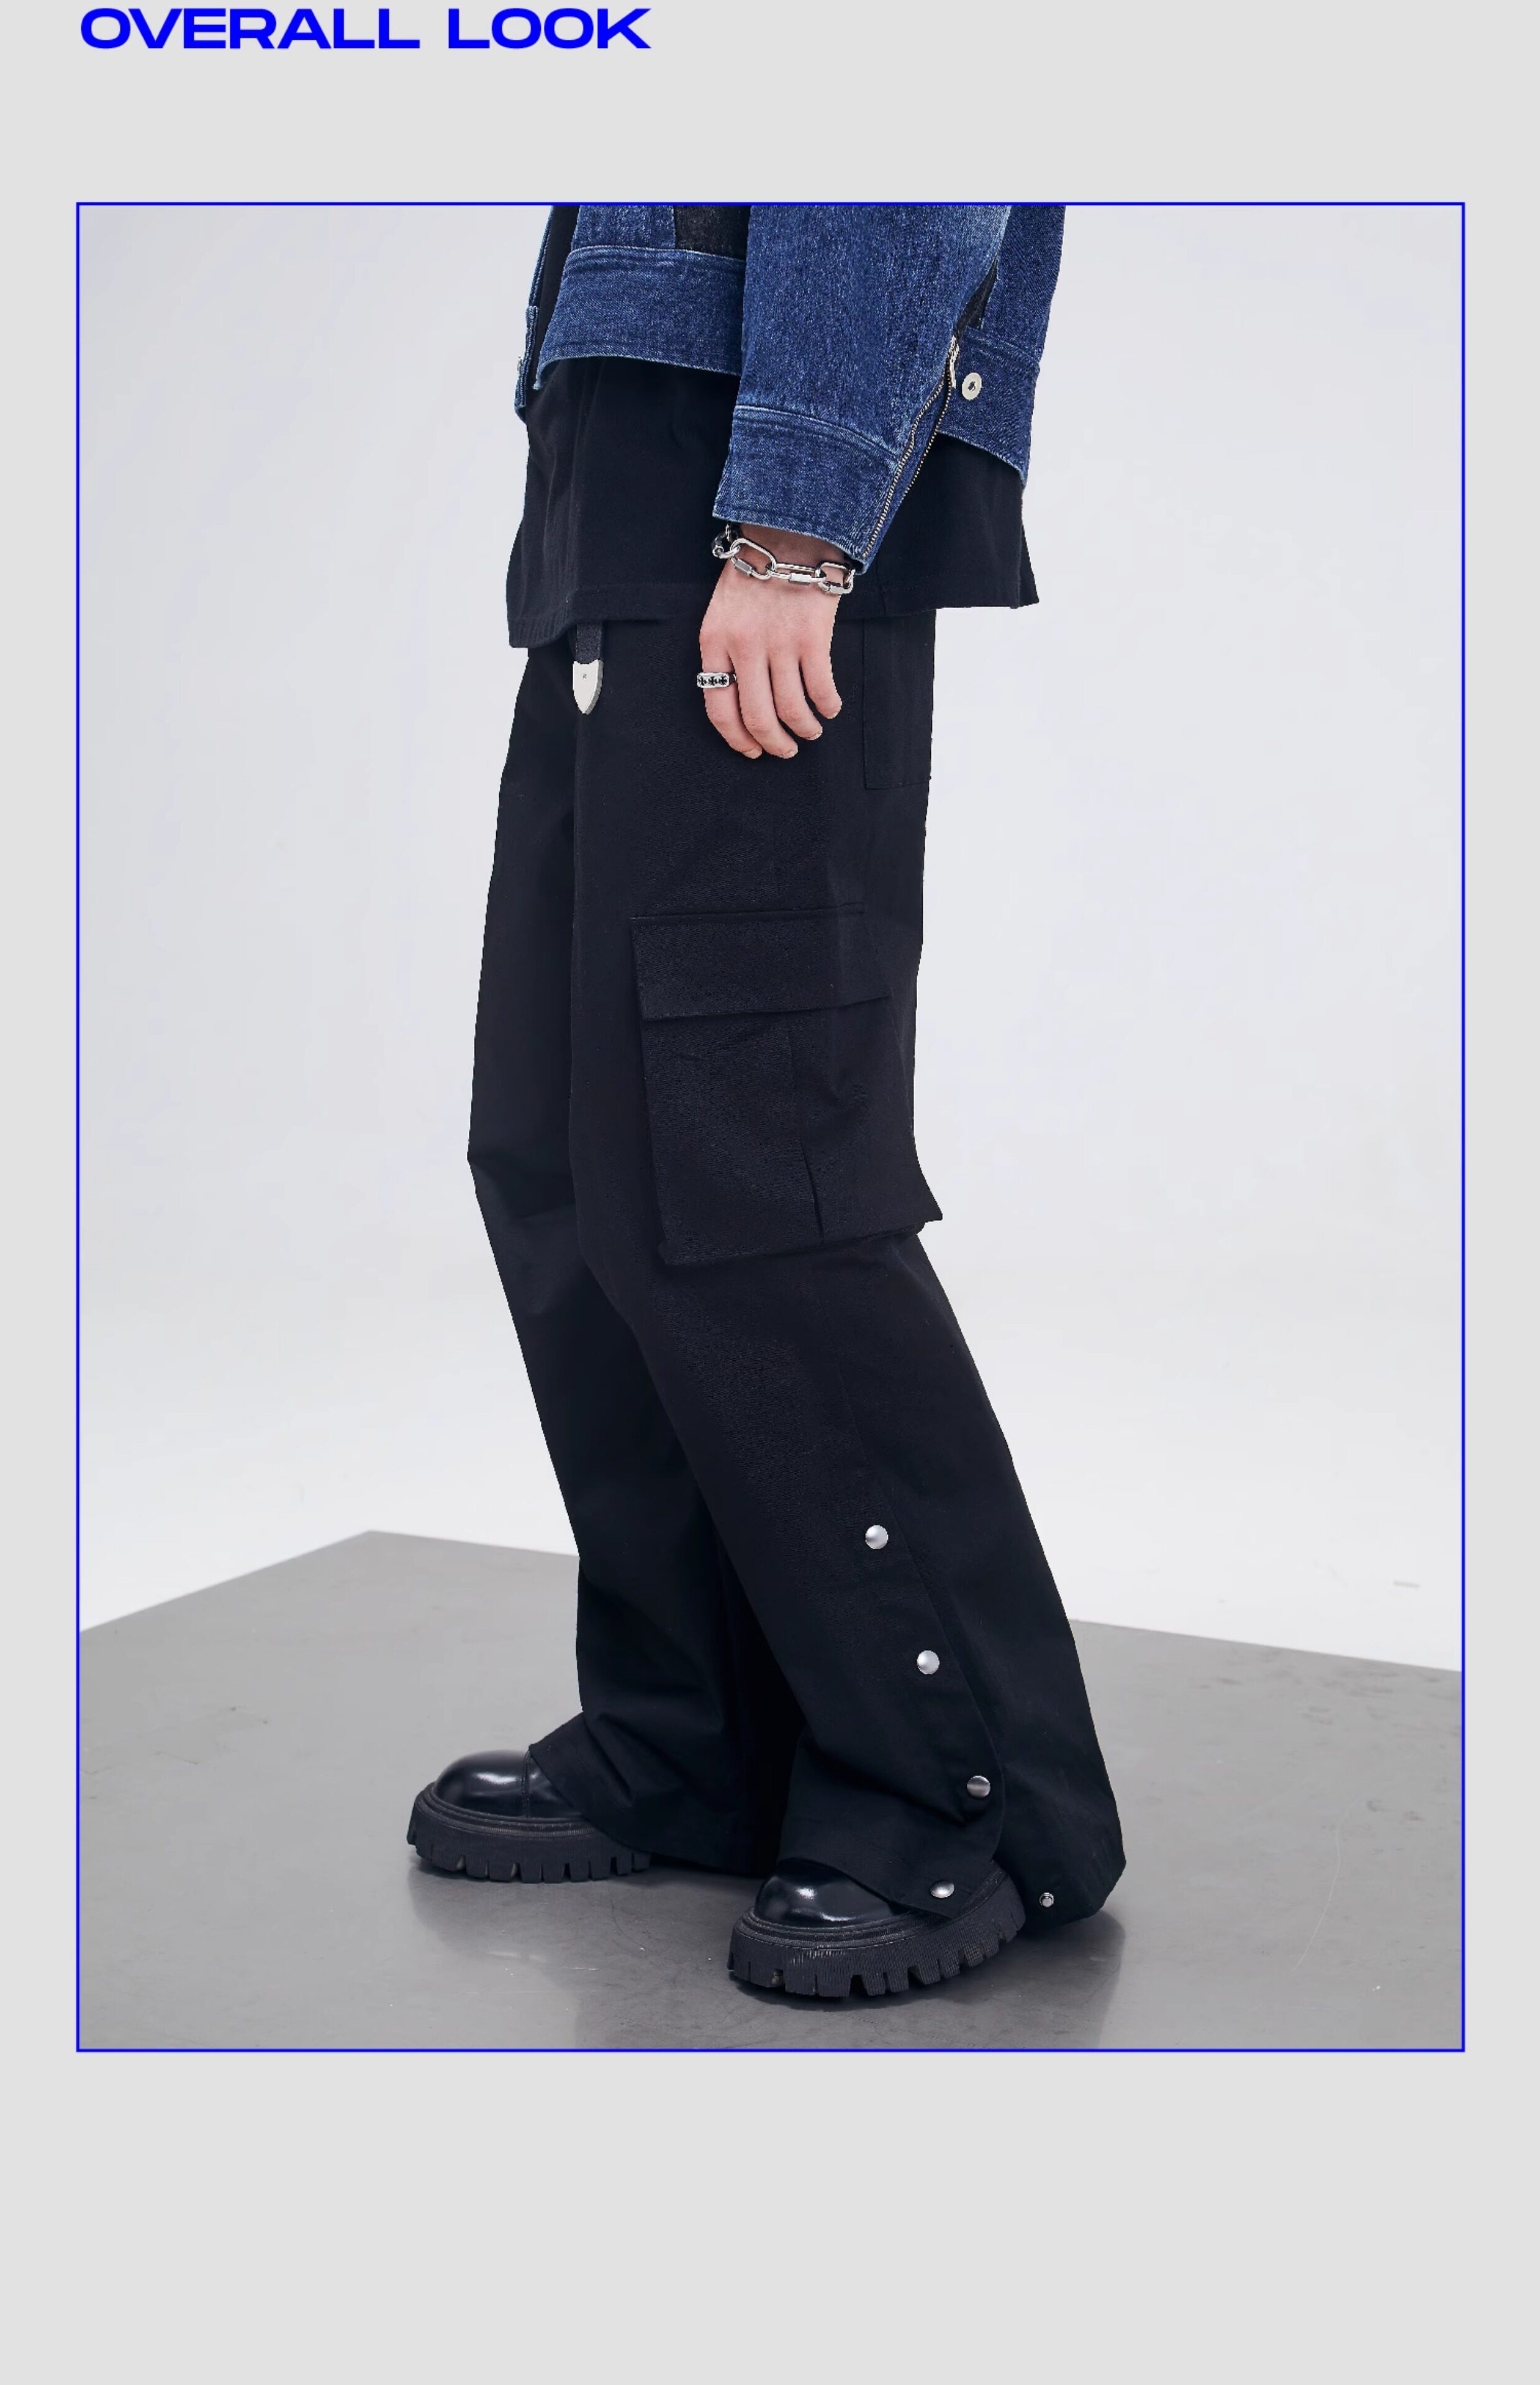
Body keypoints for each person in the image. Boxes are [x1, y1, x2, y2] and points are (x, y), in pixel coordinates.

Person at [407, 205, 1125, 2000]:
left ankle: (963, 1788)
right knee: (567, 1159)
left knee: (746, 1173)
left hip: (757, 472)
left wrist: (802, 516)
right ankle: (698, 1732)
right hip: (636, 480)